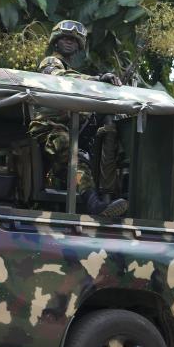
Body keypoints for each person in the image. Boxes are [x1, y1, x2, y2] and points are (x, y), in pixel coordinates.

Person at [28, 19, 127, 217]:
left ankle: (99, 201)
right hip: (47, 128)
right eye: (64, 38)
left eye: (74, 40)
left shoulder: (76, 76)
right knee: (72, 151)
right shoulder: (51, 62)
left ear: (79, 46)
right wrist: (97, 80)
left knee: (83, 159)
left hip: (67, 131)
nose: (69, 42)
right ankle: (95, 206)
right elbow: (60, 78)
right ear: (55, 41)